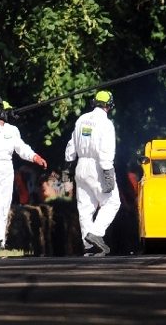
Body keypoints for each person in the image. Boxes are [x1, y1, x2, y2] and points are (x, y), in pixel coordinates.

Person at [0, 100, 47, 249]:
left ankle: (0, 241)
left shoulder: (12, 130)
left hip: (6, 168)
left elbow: (21, 147)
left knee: (4, 205)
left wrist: (34, 156)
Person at [65, 90, 120, 256]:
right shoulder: (106, 124)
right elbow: (106, 151)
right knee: (112, 202)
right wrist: (108, 173)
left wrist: (68, 163)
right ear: (109, 105)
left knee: (85, 208)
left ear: (94, 102)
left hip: (81, 165)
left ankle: (88, 246)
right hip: (98, 167)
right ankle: (96, 233)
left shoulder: (82, 119)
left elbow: (71, 146)